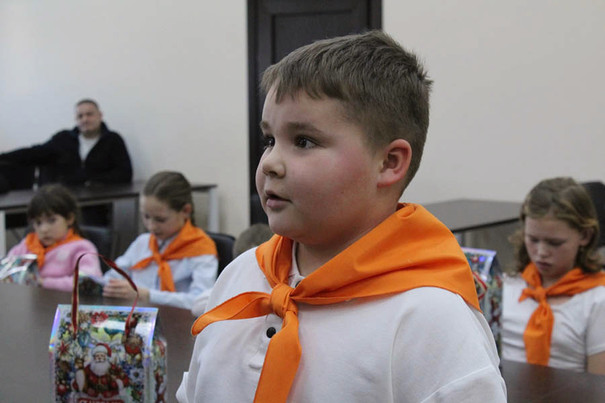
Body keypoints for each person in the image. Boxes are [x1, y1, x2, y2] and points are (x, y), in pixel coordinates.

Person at [177, 30, 506, 402]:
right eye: (270, 140)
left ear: (389, 162)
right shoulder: (241, 274)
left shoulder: (430, 319)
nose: (270, 163)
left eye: (303, 141)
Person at [502, 177, 605, 375]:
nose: (541, 252)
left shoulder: (597, 301)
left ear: (585, 236)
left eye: (554, 243)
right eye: (533, 239)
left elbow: (599, 385)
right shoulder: (509, 285)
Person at [103, 171, 218, 310]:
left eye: (160, 219)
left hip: (178, 320)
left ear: (186, 211)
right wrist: (112, 286)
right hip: (136, 315)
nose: (151, 226)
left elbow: (200, 302)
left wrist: (148, 295)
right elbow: (112, 276)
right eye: (146, 217)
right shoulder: (142, 242)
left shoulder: (201, 250)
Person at [0, 99, 132, 187]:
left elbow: (125, 173)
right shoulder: (63, 138)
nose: (85, 119)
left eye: (89, 114)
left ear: (100, 115)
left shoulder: (113, 140)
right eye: (80, 116)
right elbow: (35, 153)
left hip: (98, 201)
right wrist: (4, 156)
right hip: (63, 201)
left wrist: (91, 181)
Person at [6, 184, 102, 291]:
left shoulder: (81, 248)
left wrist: (43, 283)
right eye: (38, 223)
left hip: (63, 301)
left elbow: (88, 282)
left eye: (51, 220)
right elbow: (6, 273)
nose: (44, 229)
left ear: (69, 218)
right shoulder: (27, 245)